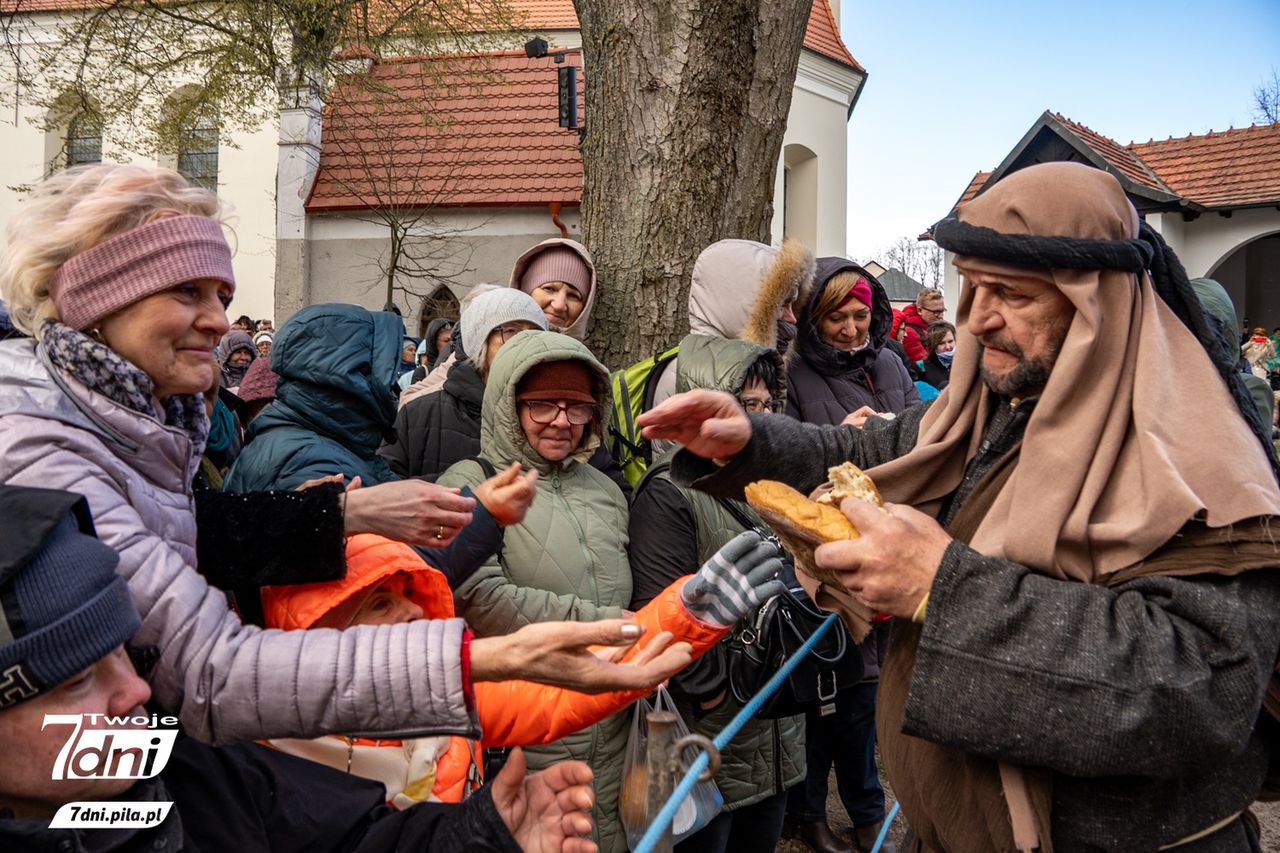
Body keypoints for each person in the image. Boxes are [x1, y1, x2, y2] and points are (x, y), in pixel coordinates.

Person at [637, 162, 1280, 852]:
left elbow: (1196, 691)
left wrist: (940, 588)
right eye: (972, 288)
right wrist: (749, 440)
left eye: (1011, 294)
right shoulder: (1005, 402)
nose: (978, 318)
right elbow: (875, 445)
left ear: (1098, 303)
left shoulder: (1198, 463)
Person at [0, 164, 700, 749]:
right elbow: (211, 673)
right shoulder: (41, 445)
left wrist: (344, 511)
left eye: (221, 294)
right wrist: (486, 656)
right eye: (188, 292)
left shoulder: (134, 419)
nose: (217, 319)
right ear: (101, 296)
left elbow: (189, 529)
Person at [0, 484, 602, 853]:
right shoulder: (259, 742)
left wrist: (481, 836)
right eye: (78, 678)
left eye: (124, 656)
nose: (136, 691)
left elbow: (353, 839)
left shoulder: (195, 770)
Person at [262, 531, 771, 807]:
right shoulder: (275, 766)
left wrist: (687, 616)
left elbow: (561, 690)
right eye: (378, 605)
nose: (413, 611)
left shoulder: (453, 694)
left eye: (404, 595)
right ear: (318, 640)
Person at [438, 330, 683, 852]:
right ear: (510, 405)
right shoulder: (470, 482)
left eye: (577, 408)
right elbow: (479, 598)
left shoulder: (605, 490)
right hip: (528, 726)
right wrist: (606, 624)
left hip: (614, 720)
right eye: (542, 405)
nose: (561, 421)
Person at [628, 340, 805, 853]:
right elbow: (661, 601)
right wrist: (713, 692)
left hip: (775, 718)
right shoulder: (668, 494)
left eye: (768, 405)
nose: (760, 417)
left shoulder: (772, 483)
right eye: (746, 404)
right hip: (712, 725)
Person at [783, 256, 916, 853]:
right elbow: (787, 454)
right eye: (837, 317)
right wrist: (848, 442)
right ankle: (810, 812)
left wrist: (897, 432)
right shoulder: (792, 369)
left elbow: (921, 430)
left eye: (861, 314)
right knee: (824, 691)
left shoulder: (889, 361)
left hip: (889, 533)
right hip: (826, 547)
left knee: (869, 691)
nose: (851, 329)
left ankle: (866, 810)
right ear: (814, 317)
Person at [381, 290, 547, 480]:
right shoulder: (419, 414)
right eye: (511, 331)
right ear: (480, 340)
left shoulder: (554, 417)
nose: (524, 342)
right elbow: (385, 489)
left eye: (534, 334)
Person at [891, 288, 946, 365]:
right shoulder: (909, 333)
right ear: (920, 310)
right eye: (936, 312)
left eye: (942, 311)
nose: (941, 316)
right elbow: (924, 366)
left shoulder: (930, 327)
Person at [916, 320, 956, 392]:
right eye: (941, 343)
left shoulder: (963, 364)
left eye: (950, 341)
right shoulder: (921, 367)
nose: (948, 347)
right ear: (933, 346)